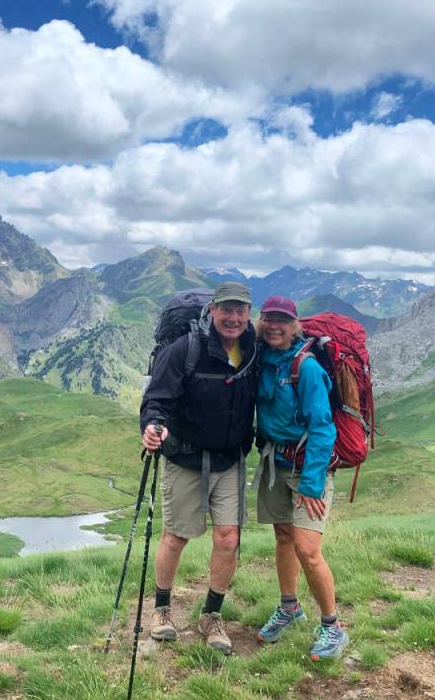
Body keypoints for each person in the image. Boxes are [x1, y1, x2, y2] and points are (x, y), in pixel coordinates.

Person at [139, 281, 258, 654]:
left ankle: (211, 614)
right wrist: (151, 425)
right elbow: (156, 397)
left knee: (228, 538)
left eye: (241, 311)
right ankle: (161, 610)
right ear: (212, 311)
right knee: (176, 536)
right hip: (185, 458)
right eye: (227, 310)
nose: (234, 318)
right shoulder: (185, 349)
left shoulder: (254, 347)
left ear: (248, 314)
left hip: (230, 458)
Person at [252, 295, 349, 660]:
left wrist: (311, 483)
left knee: (308, 550)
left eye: (283, 320)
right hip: (275, 462)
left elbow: (323, 428)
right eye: (269, 319)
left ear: (295, 325)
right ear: (261, 323)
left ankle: (332, 627)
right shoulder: (261, 359)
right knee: (283, 537)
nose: (275, 326)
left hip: (308, 469)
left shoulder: (305, 368)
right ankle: (290, 608)